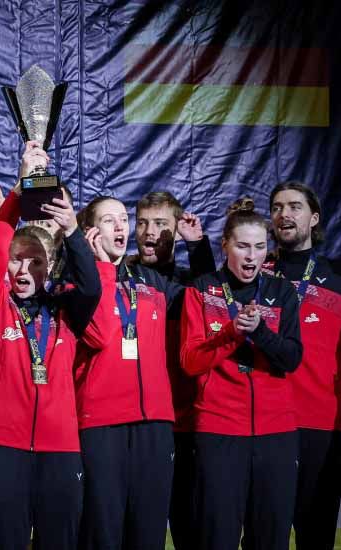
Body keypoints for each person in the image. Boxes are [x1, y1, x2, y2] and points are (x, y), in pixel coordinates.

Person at [0, 141, 101, 550]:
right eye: (16, 260)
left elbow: (92, 286)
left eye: (35, 261)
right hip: (3, 450)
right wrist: (21, 186)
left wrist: (75, 232)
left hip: (61, 451)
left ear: (49, 267)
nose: (24, 269)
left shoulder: (65, 311)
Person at [180, 197, 303, 550]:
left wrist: (260, 332)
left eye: (260, 247)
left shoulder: (281, 292)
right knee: (216, 535)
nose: (252, 256)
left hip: (276, 432)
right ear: (225, 246)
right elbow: (190, 361)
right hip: (219, 430)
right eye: (243, 246)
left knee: (270, 536)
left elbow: (292, 358)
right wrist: (232, 332)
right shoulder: (201, 289)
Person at [73, 195, 185, 550]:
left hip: (155, 423)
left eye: (124, 218)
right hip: (102, 423)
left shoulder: (152, 280)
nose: (121, 226)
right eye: (109, 220)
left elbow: (198, 302)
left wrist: (198, 249)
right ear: (90, 231)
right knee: (103, 531)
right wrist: (102, 267)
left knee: (148, 532)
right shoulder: (75, 279)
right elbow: (99, 333)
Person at [127, 190, 215, 550]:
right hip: (136, 421)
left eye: (161, 224)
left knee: (188, 523)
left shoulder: (190, 281)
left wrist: (198, 248)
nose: (150, 231)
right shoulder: (122, 274)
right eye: (144, 222)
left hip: (185, 422)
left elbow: (216, 300)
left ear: (177, 230)